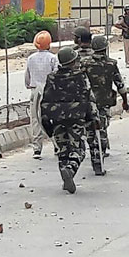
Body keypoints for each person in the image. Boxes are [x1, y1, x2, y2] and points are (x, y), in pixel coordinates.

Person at [41, 47, 100, 194]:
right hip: (76, 118)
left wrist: (45, 122)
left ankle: (65, 175)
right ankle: (70, 169)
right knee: (78, 149)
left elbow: (45, 100)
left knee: (63, 149)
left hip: (57, 119)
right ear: (73, 61)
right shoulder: (81, 76)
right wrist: (94, 118)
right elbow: (89, 97)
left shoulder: (51, 77)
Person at [82, 36, 129, 174]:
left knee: (91, 132)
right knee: (102, 129)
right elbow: (119, 84)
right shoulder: (111, 64)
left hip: (87, 103)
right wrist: (125, 101)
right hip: (104, 102)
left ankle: (95, 157)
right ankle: (100, 158)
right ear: (105, 48)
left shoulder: (85, 63)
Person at [24, 30, 59, 159]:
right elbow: (56, 75)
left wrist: (30, 85)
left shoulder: (31, 58)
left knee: (35, 120)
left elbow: (27, 78)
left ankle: (37, 149)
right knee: (52, 119)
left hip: (35, 92)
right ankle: (57, 145)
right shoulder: (52, 58)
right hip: (50, 92)